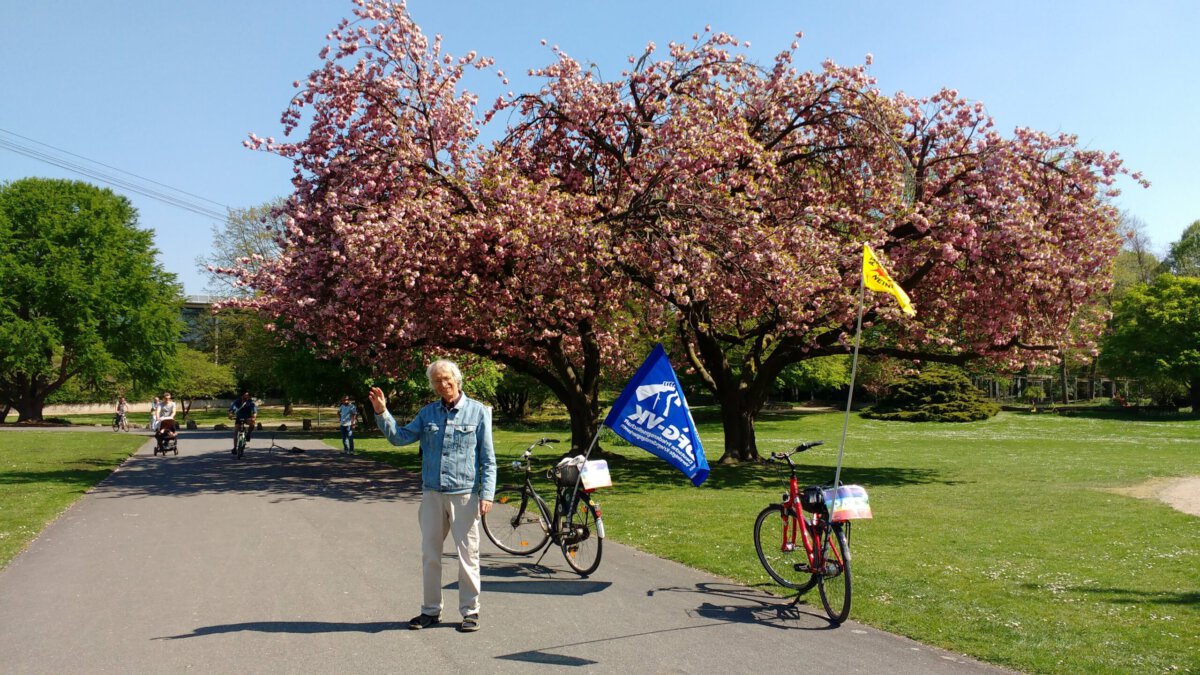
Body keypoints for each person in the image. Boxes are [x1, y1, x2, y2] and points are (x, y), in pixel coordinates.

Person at [368, 360, 496, 633]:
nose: (443, 384)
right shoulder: (427, 414)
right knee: (430, 555)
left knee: (468, 556)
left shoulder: (478, 413)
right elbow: (400, 438)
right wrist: (383, 413)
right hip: (433, 494)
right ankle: (430, 611)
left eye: (447, 379)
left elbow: (488, 459)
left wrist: (487, 494)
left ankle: (470, 611)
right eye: (437, 380)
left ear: (457, 379)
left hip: (464, 495)